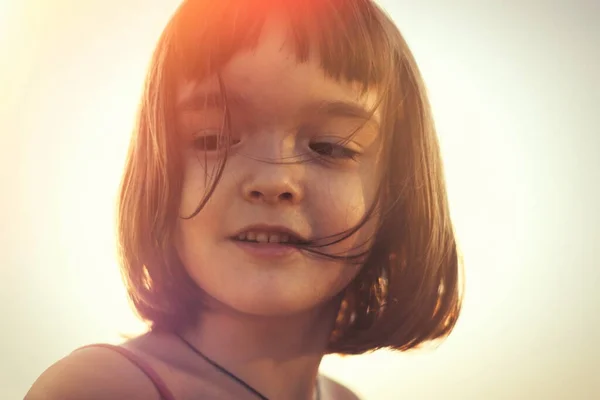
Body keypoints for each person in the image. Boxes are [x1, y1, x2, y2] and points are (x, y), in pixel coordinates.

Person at [25, 0, 462, 398]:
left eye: (329, 147)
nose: (273, 180)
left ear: (398, 192)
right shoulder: (102, 389)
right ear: (158, 173)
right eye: (213, 139)